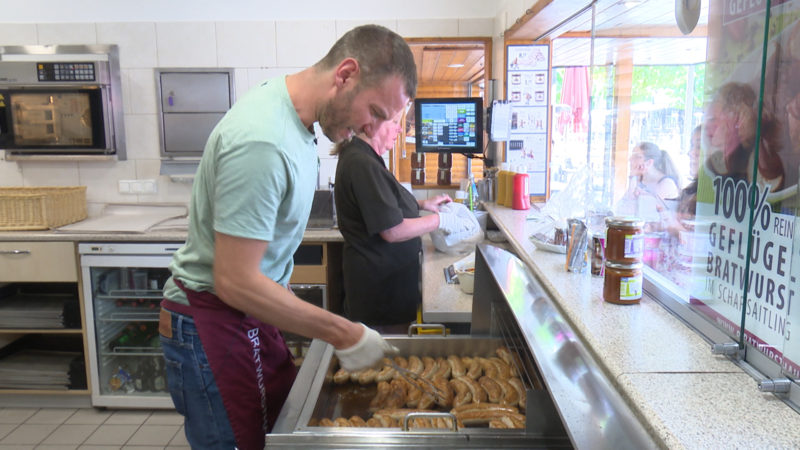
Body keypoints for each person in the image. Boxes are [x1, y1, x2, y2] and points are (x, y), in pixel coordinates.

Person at [158, 24, 417, 450]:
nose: (373, 128)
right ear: (346, 74)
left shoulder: (296, 120)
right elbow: (235, 281)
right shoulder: (263, 140)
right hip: (211, 324)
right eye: (375, 111)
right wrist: (344, 332)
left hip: (243, 319)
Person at [332, 111, 465, 333]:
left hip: (387, 285)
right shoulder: (361, 163)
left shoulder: (366, 157)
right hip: (379, 293)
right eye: (394, 122)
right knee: (385, 362)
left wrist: (423, 205)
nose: (400, 129)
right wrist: (441, 220)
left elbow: (384, 206)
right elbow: (392, 230)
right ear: (369, 125)